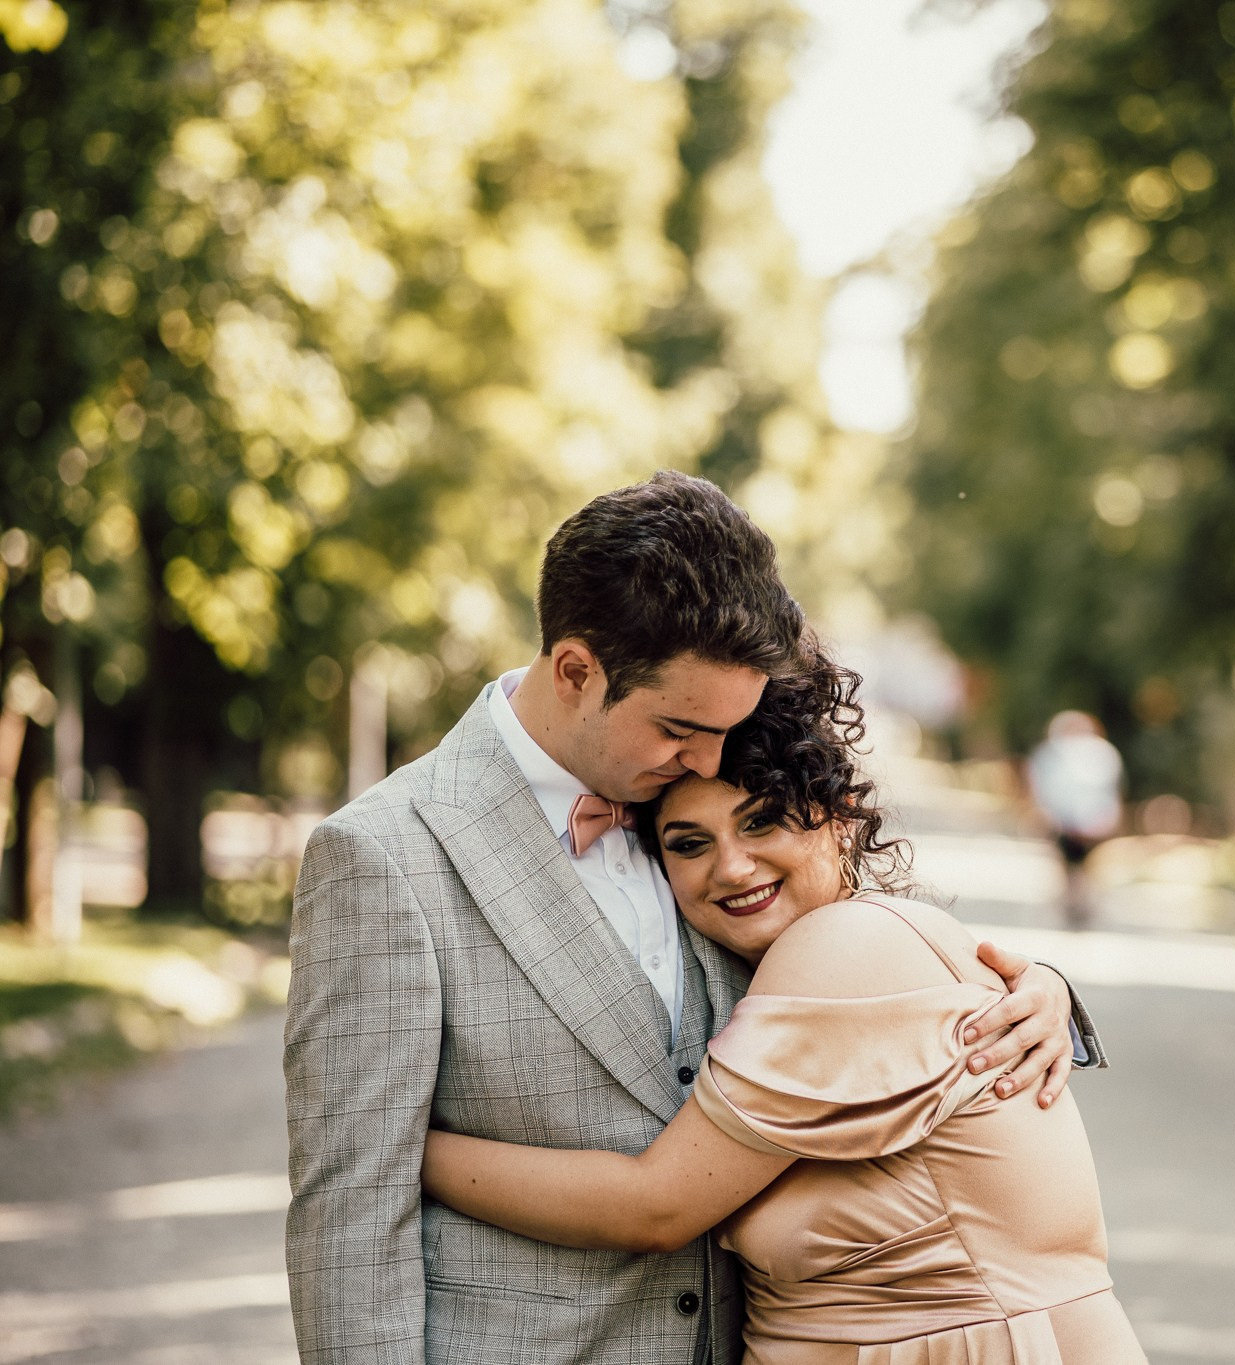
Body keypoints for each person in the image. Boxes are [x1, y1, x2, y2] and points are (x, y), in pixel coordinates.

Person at [285, 473, 1102, 1365]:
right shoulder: (384, 857)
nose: (709, 760)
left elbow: (859, 975)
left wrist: (1032, 987)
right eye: (681, 727)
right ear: (576, 672)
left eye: (726, 732)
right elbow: (349, 1218)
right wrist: (393, 1150)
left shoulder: (695, 793)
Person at [421, 653, 1147, 1364]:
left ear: (840, 818)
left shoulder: (843, 947)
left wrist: (407, 1145)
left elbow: (656, 1207)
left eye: (762, 822)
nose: (732, 867)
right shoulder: (807, 959)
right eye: (690, 844)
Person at [1026, 711, 1123, 929]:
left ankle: (1079, 896)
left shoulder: (1101, 753)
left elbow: (1110, 788)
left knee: (1084, 861)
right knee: (1069, 860)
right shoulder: (1053, 753)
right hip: (1069, 819)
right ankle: (1074, 897)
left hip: (1089, 819)